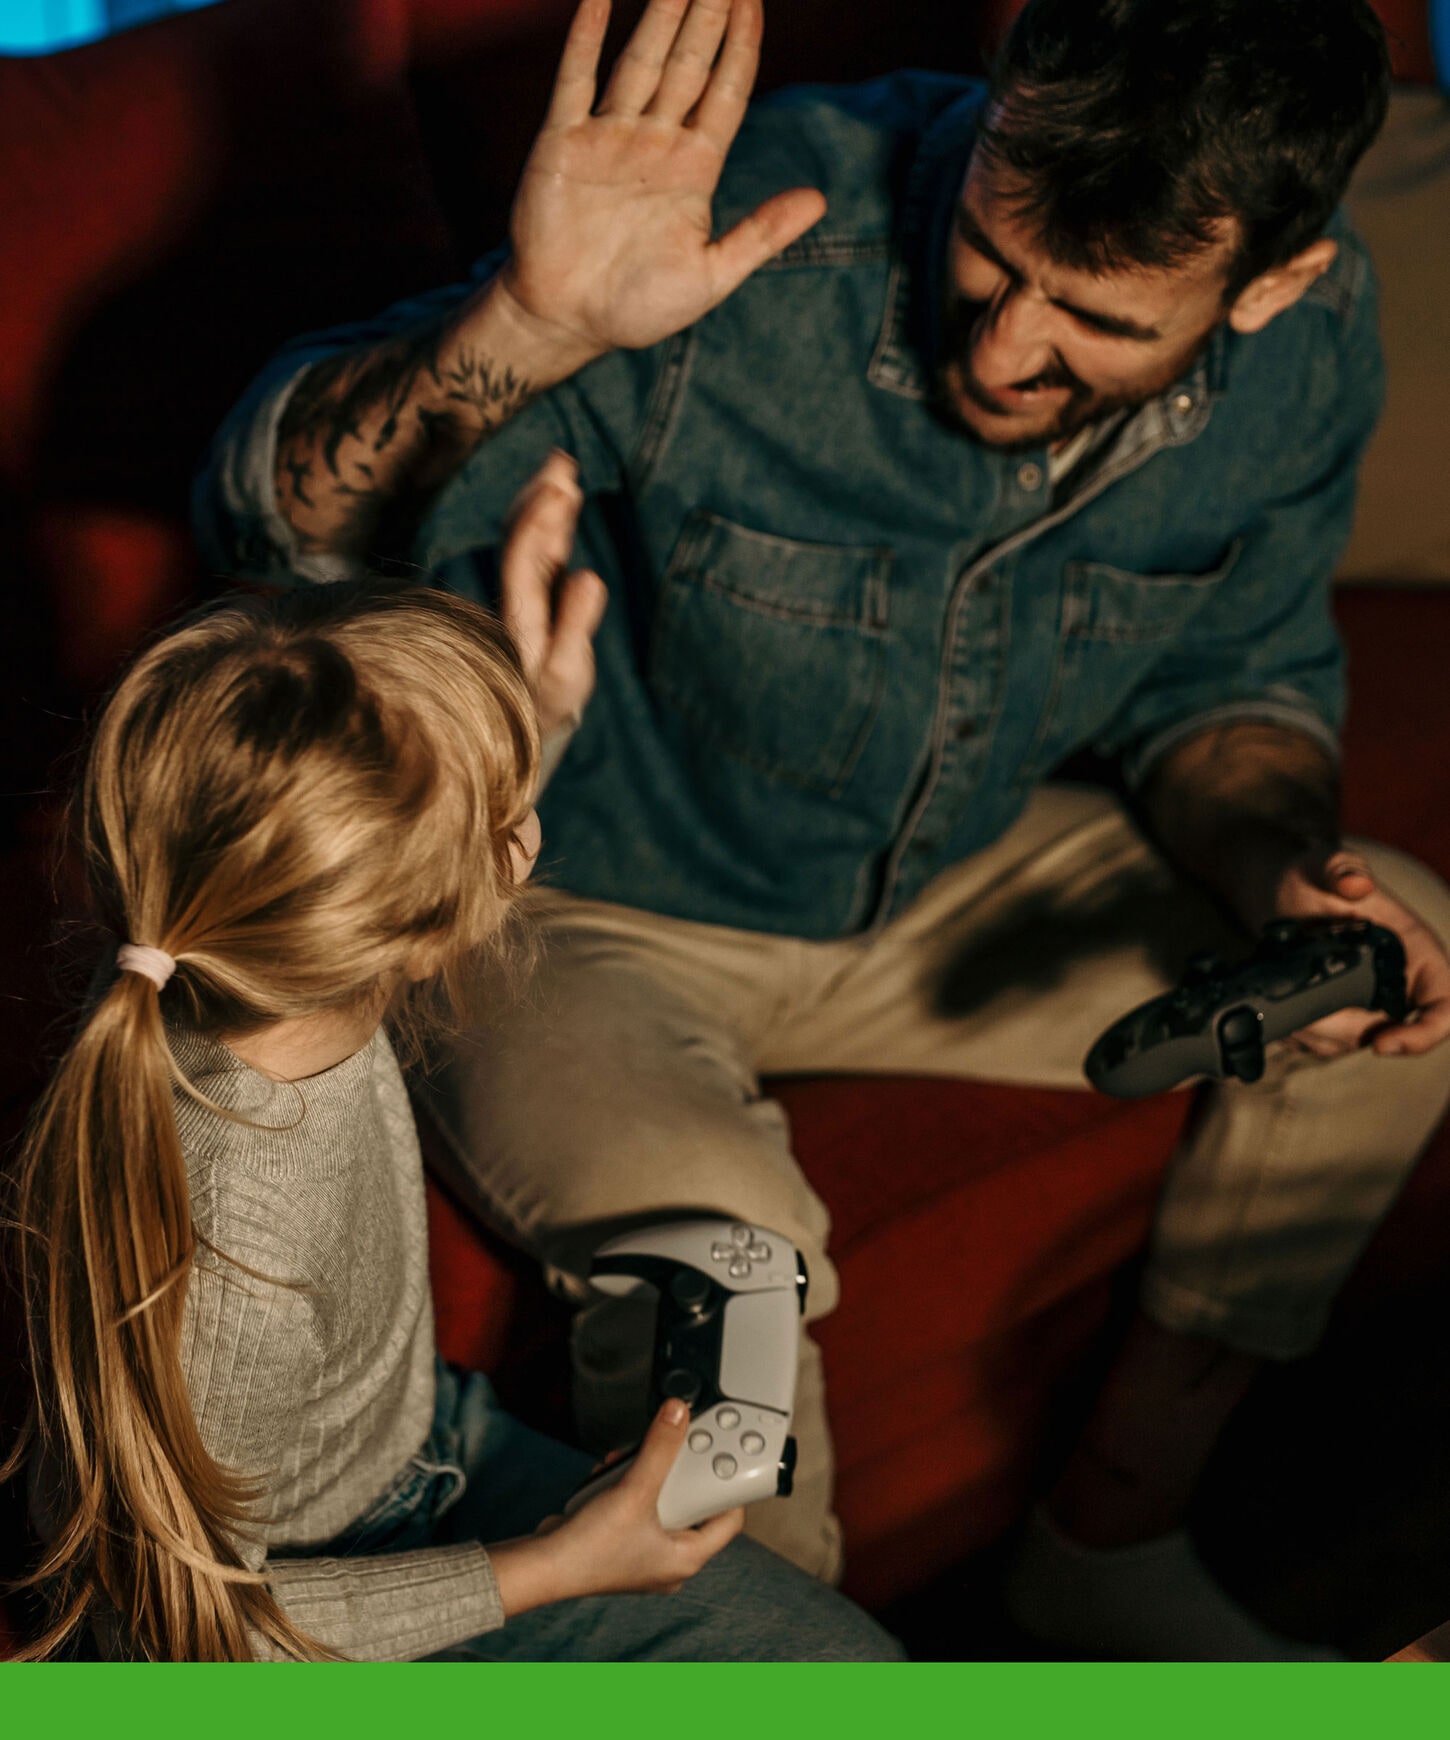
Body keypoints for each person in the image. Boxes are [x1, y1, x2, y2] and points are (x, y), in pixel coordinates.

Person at [197, 0, 1450, 1658]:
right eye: (990, 258)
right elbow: (272, 531)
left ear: (1270, 285)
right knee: (726, 1273)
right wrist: (528, 323)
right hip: (583, 901)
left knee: (1391, 965)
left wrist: (1273, 867)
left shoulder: (1313, 340)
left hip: (944, 880)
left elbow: (1235, 683)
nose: (999, 350)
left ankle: (1107, 1541)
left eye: (1093, 321)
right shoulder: (765, 227)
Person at [5, 469, 901, 1662]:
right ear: (416, 930)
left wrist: (535, 714)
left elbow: (402, 861)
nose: (528, 829)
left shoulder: (232, 939)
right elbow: (180, 1635)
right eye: (505, 815)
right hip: (292, 1605)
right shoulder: (235, 1251)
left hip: (417, 1445)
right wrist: (559, 1566)